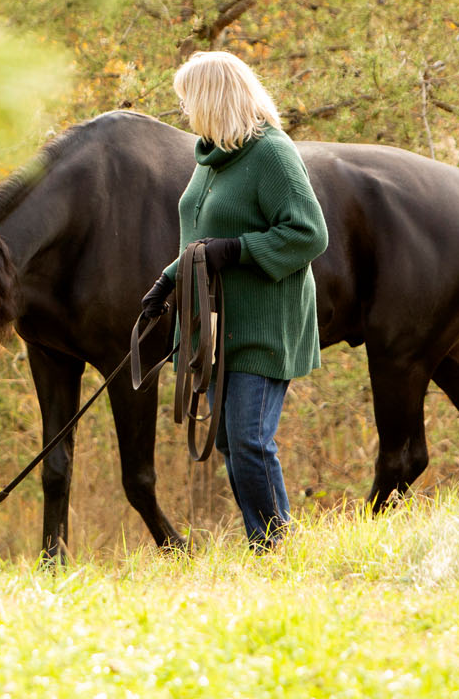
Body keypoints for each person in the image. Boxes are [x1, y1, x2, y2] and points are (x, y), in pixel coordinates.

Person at [140, 51, 328, 551]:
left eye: (188, 99)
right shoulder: (212, 159)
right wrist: (167, 282)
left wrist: (239, 250)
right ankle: (265, 544)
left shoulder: (272, 154)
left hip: (264, 323)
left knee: (248, 440)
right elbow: (201, 240)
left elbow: (310, 233)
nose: (185, 110)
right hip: (217, 327)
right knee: (228, 441)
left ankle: (277, 549)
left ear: (212, 98)